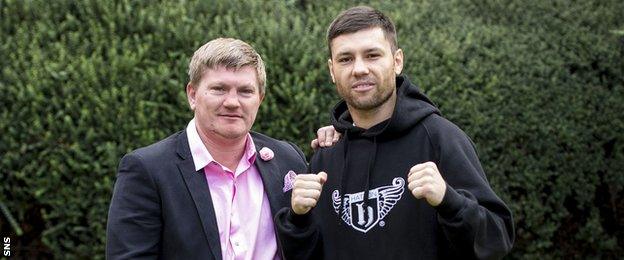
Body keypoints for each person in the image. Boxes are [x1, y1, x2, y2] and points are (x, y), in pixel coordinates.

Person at [275, 6, 515, 260]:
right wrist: (297, 219)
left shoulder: (439, 138)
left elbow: (497, 239)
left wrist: (449, 200)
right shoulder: (326, 157)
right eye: (346, 59)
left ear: (397, 61)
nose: (359, 69)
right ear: (332, 71)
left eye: (372, 55)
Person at [106, 37, 337, 259]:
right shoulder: (148, 170)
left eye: (246, 91)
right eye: (219, 89)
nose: (232, 102)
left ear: (260, 98)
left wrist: (343, 136)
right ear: (192, 95)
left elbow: (314, 249)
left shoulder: (288, 160)